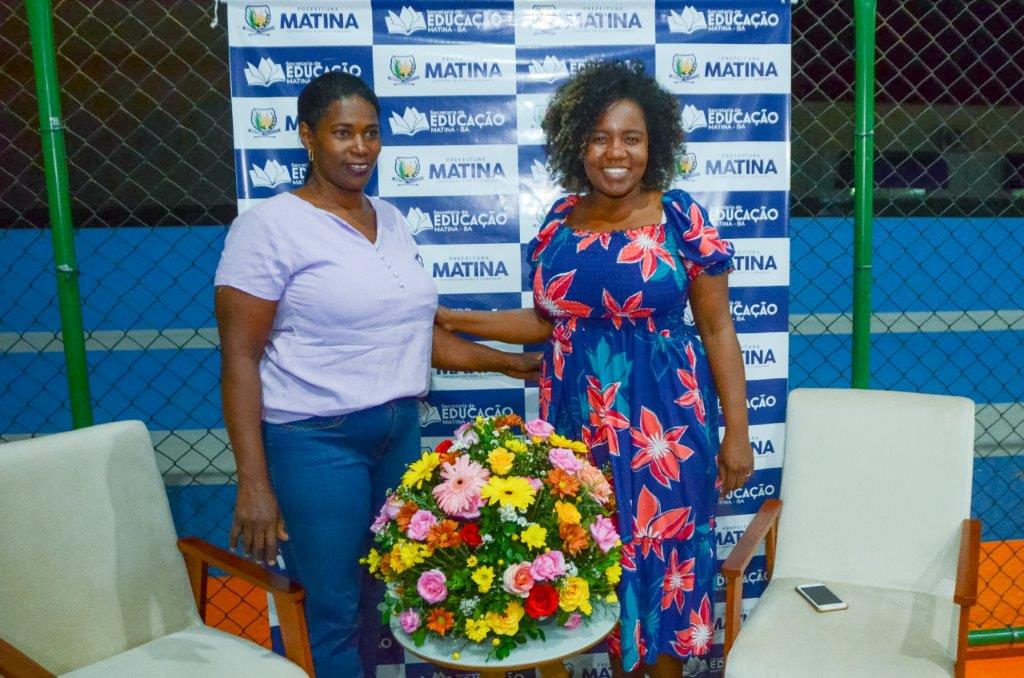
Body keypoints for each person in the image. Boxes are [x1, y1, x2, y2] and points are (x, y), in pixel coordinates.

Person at [214, 71, 538, 678]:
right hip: (316, 442)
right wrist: (253, 482)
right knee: (331, 608)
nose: (360, 147)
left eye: (370, 132)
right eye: (342, 133)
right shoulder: (268, 227)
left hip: (397, 436)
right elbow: (239, 357)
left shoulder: (389, 217)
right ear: (308, 137)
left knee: (387, 594)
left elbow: (415, 336)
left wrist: (515, 363)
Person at [437, 61, 752, 678]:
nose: (616, 153)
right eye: (601, 137)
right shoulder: (559, 221)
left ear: (653, 145)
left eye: (632, 138)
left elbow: (718, 329)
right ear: (577, 143)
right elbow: (547, 321)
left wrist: (736, 433)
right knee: (596, 563)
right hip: (578, 431)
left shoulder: (679, 218)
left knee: (664, 568)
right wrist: (452, 317)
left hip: (665, 431)